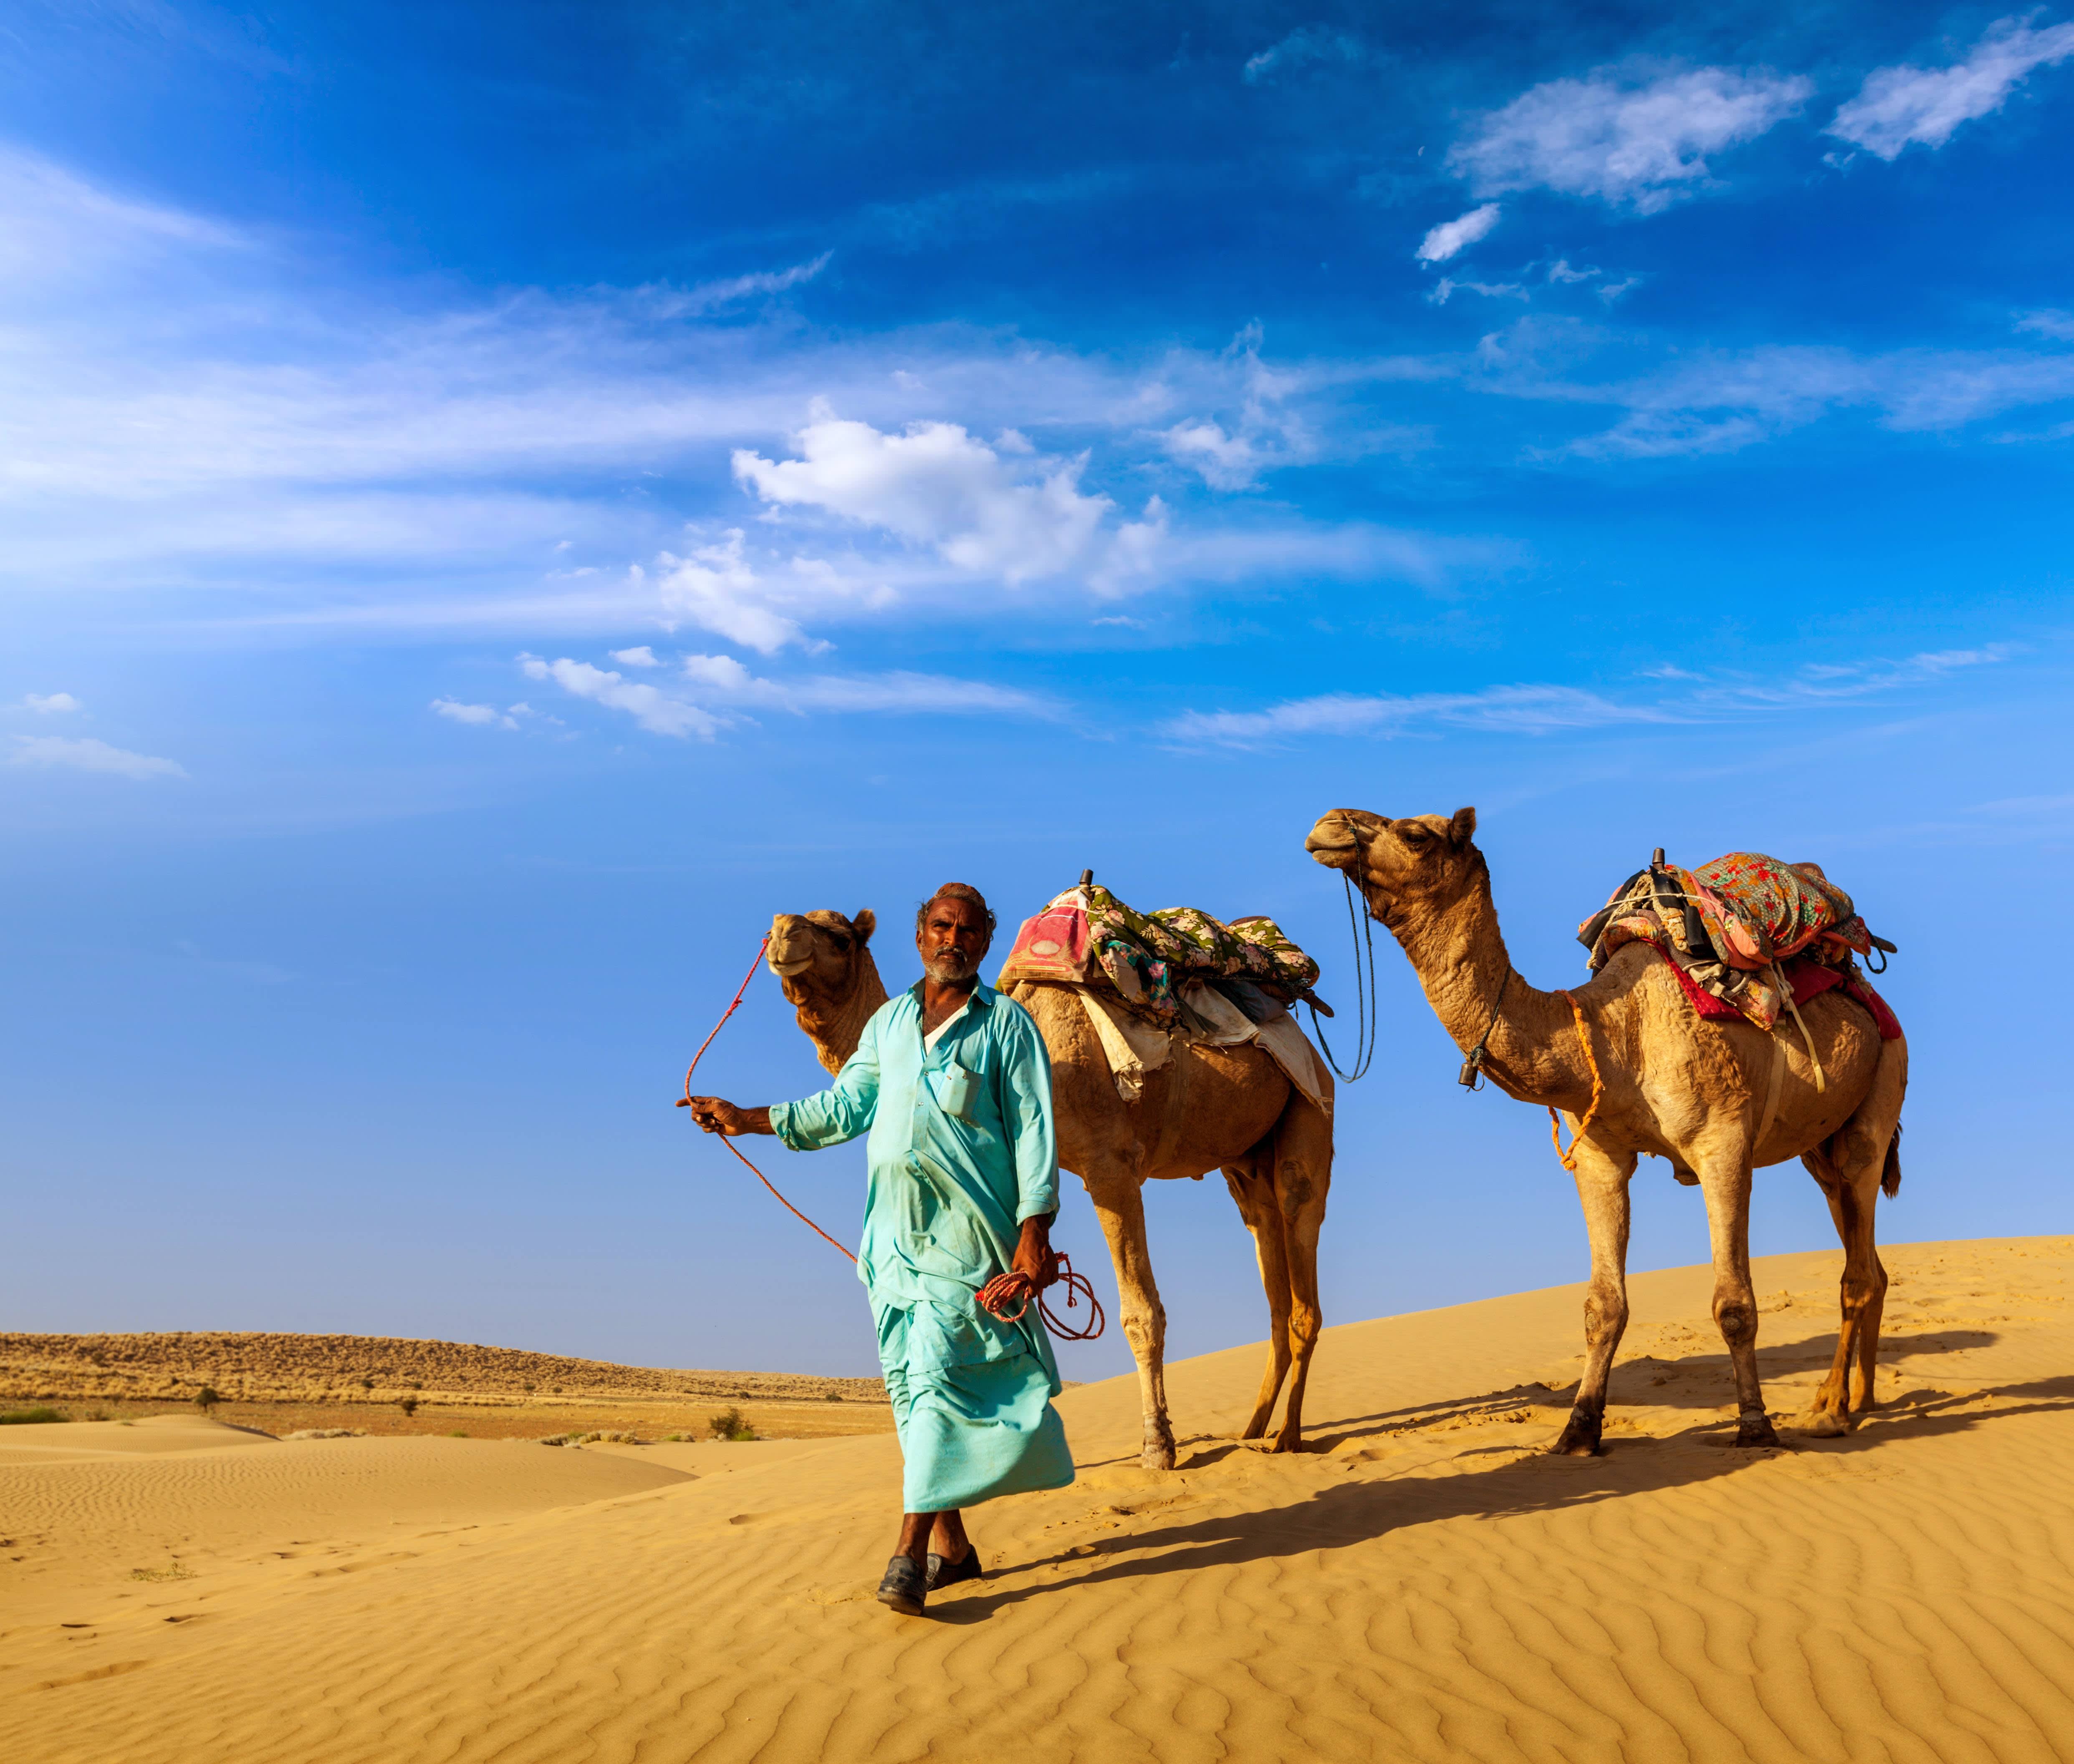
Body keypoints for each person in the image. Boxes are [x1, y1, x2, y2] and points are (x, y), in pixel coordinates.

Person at [687, 882, 1075, 1615]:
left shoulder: (1007, 1028)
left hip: (969, 1240)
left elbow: (1034, 1133)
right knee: (910, 1390)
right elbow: (842, 1108)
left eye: (966, 929)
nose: (952, 939)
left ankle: (905, 1555)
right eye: (939, 925)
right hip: (891, 1243)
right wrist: (746, 1117)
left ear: (985, 942)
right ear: (920, 935)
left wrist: (1035, 1233)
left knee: (933, 1378)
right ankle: (955, 1550)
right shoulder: (890, 1024)